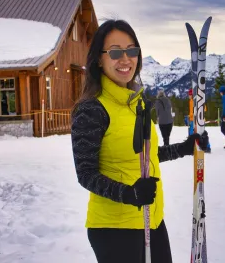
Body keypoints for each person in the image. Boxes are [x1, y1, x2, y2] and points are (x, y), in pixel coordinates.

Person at [70, 19, 209, 263]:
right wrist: (128, 194)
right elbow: (86, 173)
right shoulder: (92, 109)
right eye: (115, 52)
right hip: (115, 229)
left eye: (132, 50)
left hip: (151, 219)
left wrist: (183, 149)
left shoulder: (138, 103)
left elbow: (147, 154)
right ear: (98, 60)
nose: (126, 59)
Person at [187, 88, 211, 153]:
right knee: (202, 133)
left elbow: (193, 112)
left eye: (189, 94)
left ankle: (193, 147)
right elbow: (204, 109)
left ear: (192, 95)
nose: (188, 96)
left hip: (194, 120)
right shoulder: (199, 99)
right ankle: (207, 147)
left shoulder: (192, 101)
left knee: (193, 134)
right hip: (200, 120)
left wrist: (190, 116)